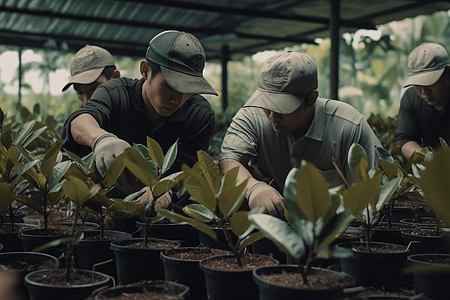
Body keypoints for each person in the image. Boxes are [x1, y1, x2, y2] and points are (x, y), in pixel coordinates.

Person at [61, 30, 217, 218]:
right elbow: (81, 120)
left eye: (189, 89)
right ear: (145, 70)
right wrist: (101, 139)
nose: (179, 99)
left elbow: (182, 174)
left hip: (162, 219)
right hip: (103, 214)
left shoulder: (199, 115)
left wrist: (164, 192)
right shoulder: (115, 93)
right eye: (170, 86)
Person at [219, 51, 388, 219]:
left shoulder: (349, 126)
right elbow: (229, 161)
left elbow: (371, 194)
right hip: (271, 224)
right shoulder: (251, 116)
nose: (272, 116)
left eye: (281, 109)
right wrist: (254, 188)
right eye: (266, 105)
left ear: (311, 99)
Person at [396, 43, 450, 161]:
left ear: (448, 73)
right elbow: (406, 139)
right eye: (417, 84)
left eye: (429, 82)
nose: (423, 92)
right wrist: (430, 161)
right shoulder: (411, 98)